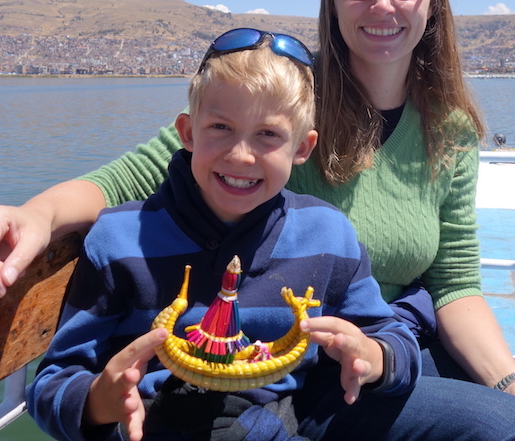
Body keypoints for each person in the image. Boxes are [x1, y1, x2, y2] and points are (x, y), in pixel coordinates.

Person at [0, 0, 515, 441]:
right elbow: (128, 180)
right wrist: (36, 215)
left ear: (432, 0)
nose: (382, 4)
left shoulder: (447, 127)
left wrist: (512, 382)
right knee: (511, 431)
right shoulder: (278, 100)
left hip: (392, 340)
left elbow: (454, 283)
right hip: (303, 359)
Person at [27, 31, 421, 441]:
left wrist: (373, 357)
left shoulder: (328, 233)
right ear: (187, 132)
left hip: (285, 418)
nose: (240, 155)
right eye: (220, 127)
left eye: (268, 135)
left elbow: (391, 336)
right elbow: (52, 382)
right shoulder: (119, 240)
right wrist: (98, 402)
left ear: (302, 148)